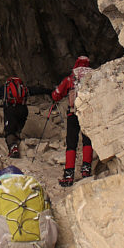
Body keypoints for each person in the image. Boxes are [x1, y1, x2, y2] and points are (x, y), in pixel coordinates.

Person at [51, 56, 94, 187]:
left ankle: (69, 174)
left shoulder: (71, 79)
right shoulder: (93, 77)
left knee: (71, 143)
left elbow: (56, 95)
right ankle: (86, 169)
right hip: (88, 113)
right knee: (87, 140)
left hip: (73, 113)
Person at [0, 77, 52, 158]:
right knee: (18, 127)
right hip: (23, 110)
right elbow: (36, 90)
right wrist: (49, 91)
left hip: (11, 109)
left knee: (9, 131)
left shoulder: (5, 88)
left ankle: (13, 148)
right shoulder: (23, 88)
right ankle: (17, 137)